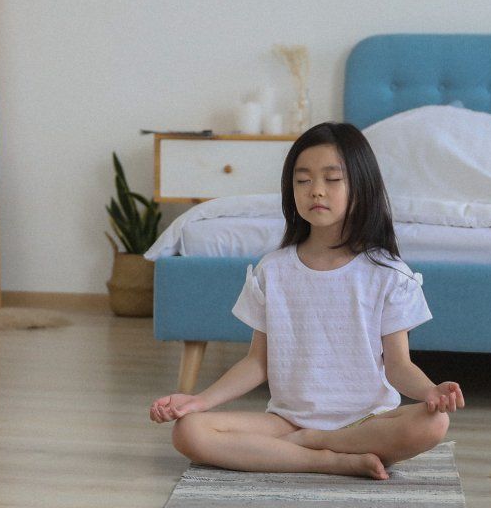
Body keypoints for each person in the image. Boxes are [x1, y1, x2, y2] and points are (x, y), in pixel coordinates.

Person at [149, 122, 464, 478]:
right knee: (188, 431)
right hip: (287, 422)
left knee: (433, 424)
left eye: (332, 179)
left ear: (361, 187)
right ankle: (328, 459)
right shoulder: (274, 270)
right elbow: (257, 362)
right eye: (303, 180)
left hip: (368, 421)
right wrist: (199, 401)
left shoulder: (389, 273)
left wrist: (431, 391)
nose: (316, 191)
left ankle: (307, 445)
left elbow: (398, 366)